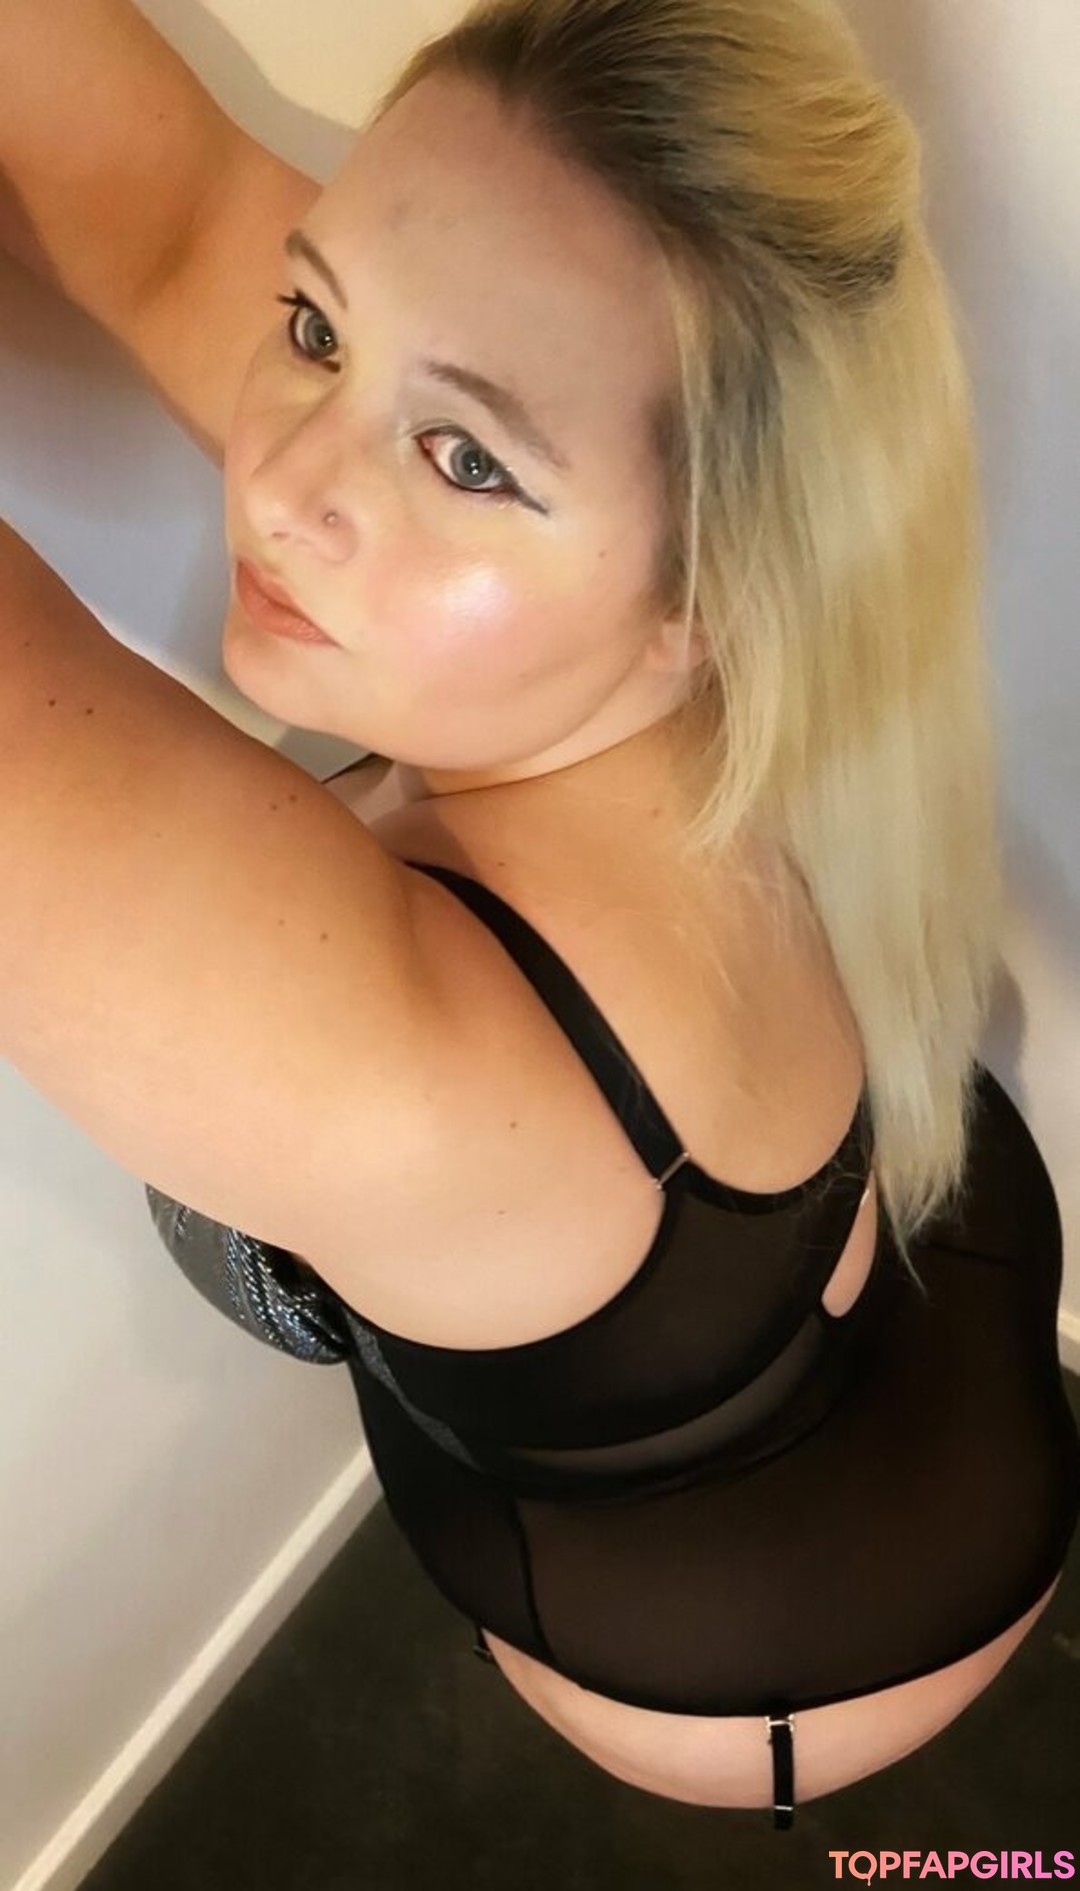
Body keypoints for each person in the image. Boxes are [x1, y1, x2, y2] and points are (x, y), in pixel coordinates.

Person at [1, 0, 1077, 1832]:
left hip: (774, 1667)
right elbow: (176, 220)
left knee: (979, 1875)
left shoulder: (393, 1068)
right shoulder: (713, 638)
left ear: (706, 596)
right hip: (944, 1293)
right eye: (317, 326)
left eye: (468, 459)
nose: (285, 481)